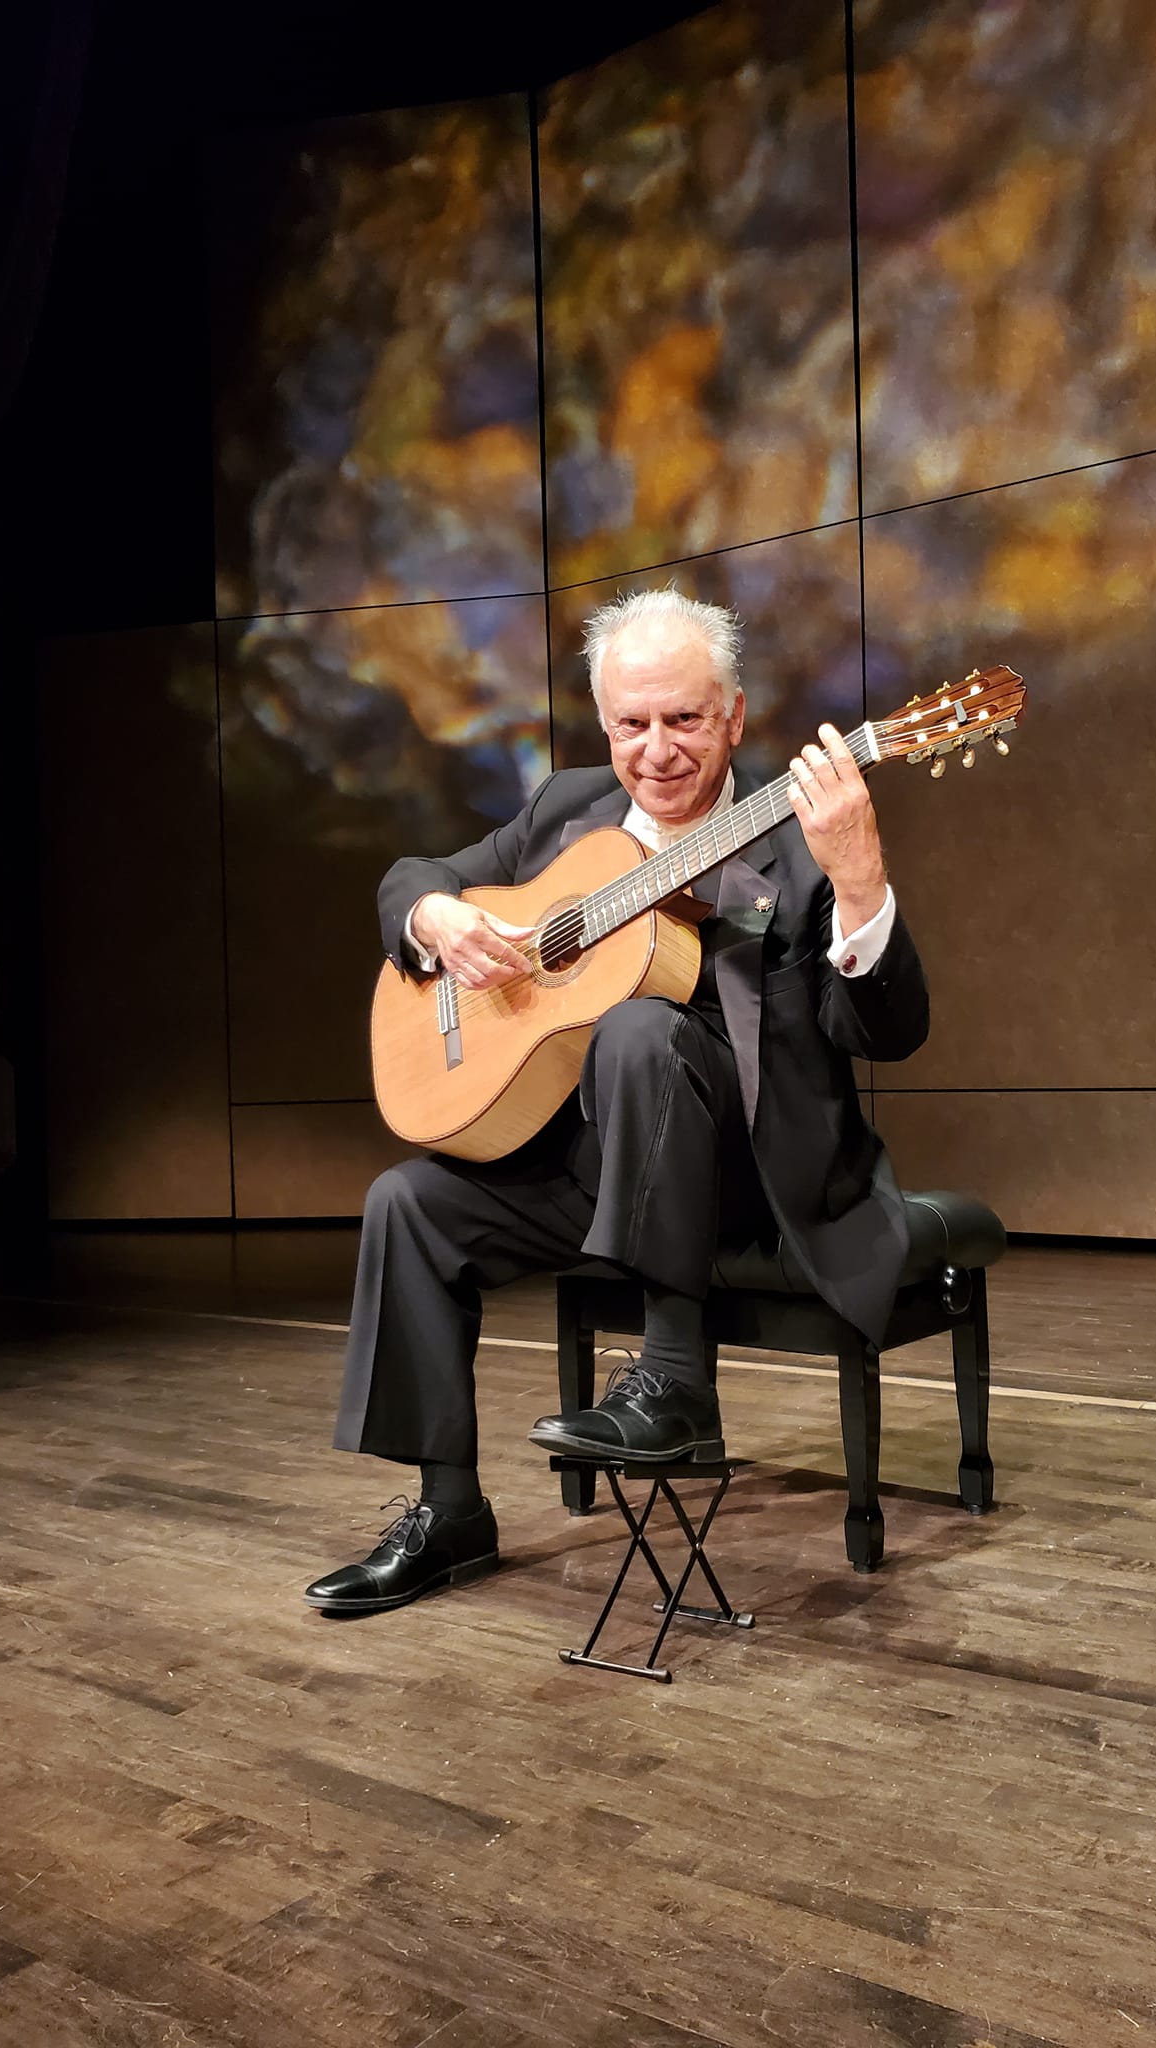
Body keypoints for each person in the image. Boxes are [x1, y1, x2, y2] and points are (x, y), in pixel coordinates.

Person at [304, 588, 928, 1614]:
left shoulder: (799, 836)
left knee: (642, 1023)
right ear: (604, 723)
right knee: (406, 1202)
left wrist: (860, 887)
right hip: (590, 1165)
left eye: (684, 719)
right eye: (632, 723)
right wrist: (436, 914)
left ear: (732, 715)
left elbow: (890, 1032)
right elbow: (413, 874)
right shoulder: (565, 811)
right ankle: (448, 1509)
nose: (658, 749)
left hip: (745, 1176)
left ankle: (675, 1382)